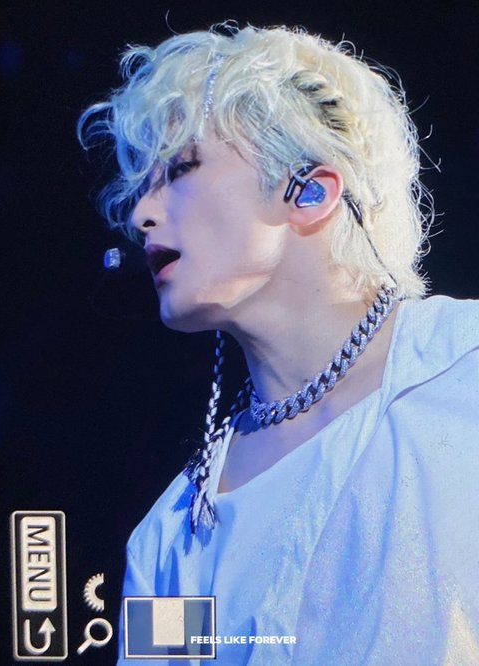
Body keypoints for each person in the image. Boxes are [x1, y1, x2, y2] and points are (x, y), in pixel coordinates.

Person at [78, 24, 479, 665]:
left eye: (181, 168)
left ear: (310, 190)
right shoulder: (169, 541)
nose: (141, 214)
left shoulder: (466, 367)